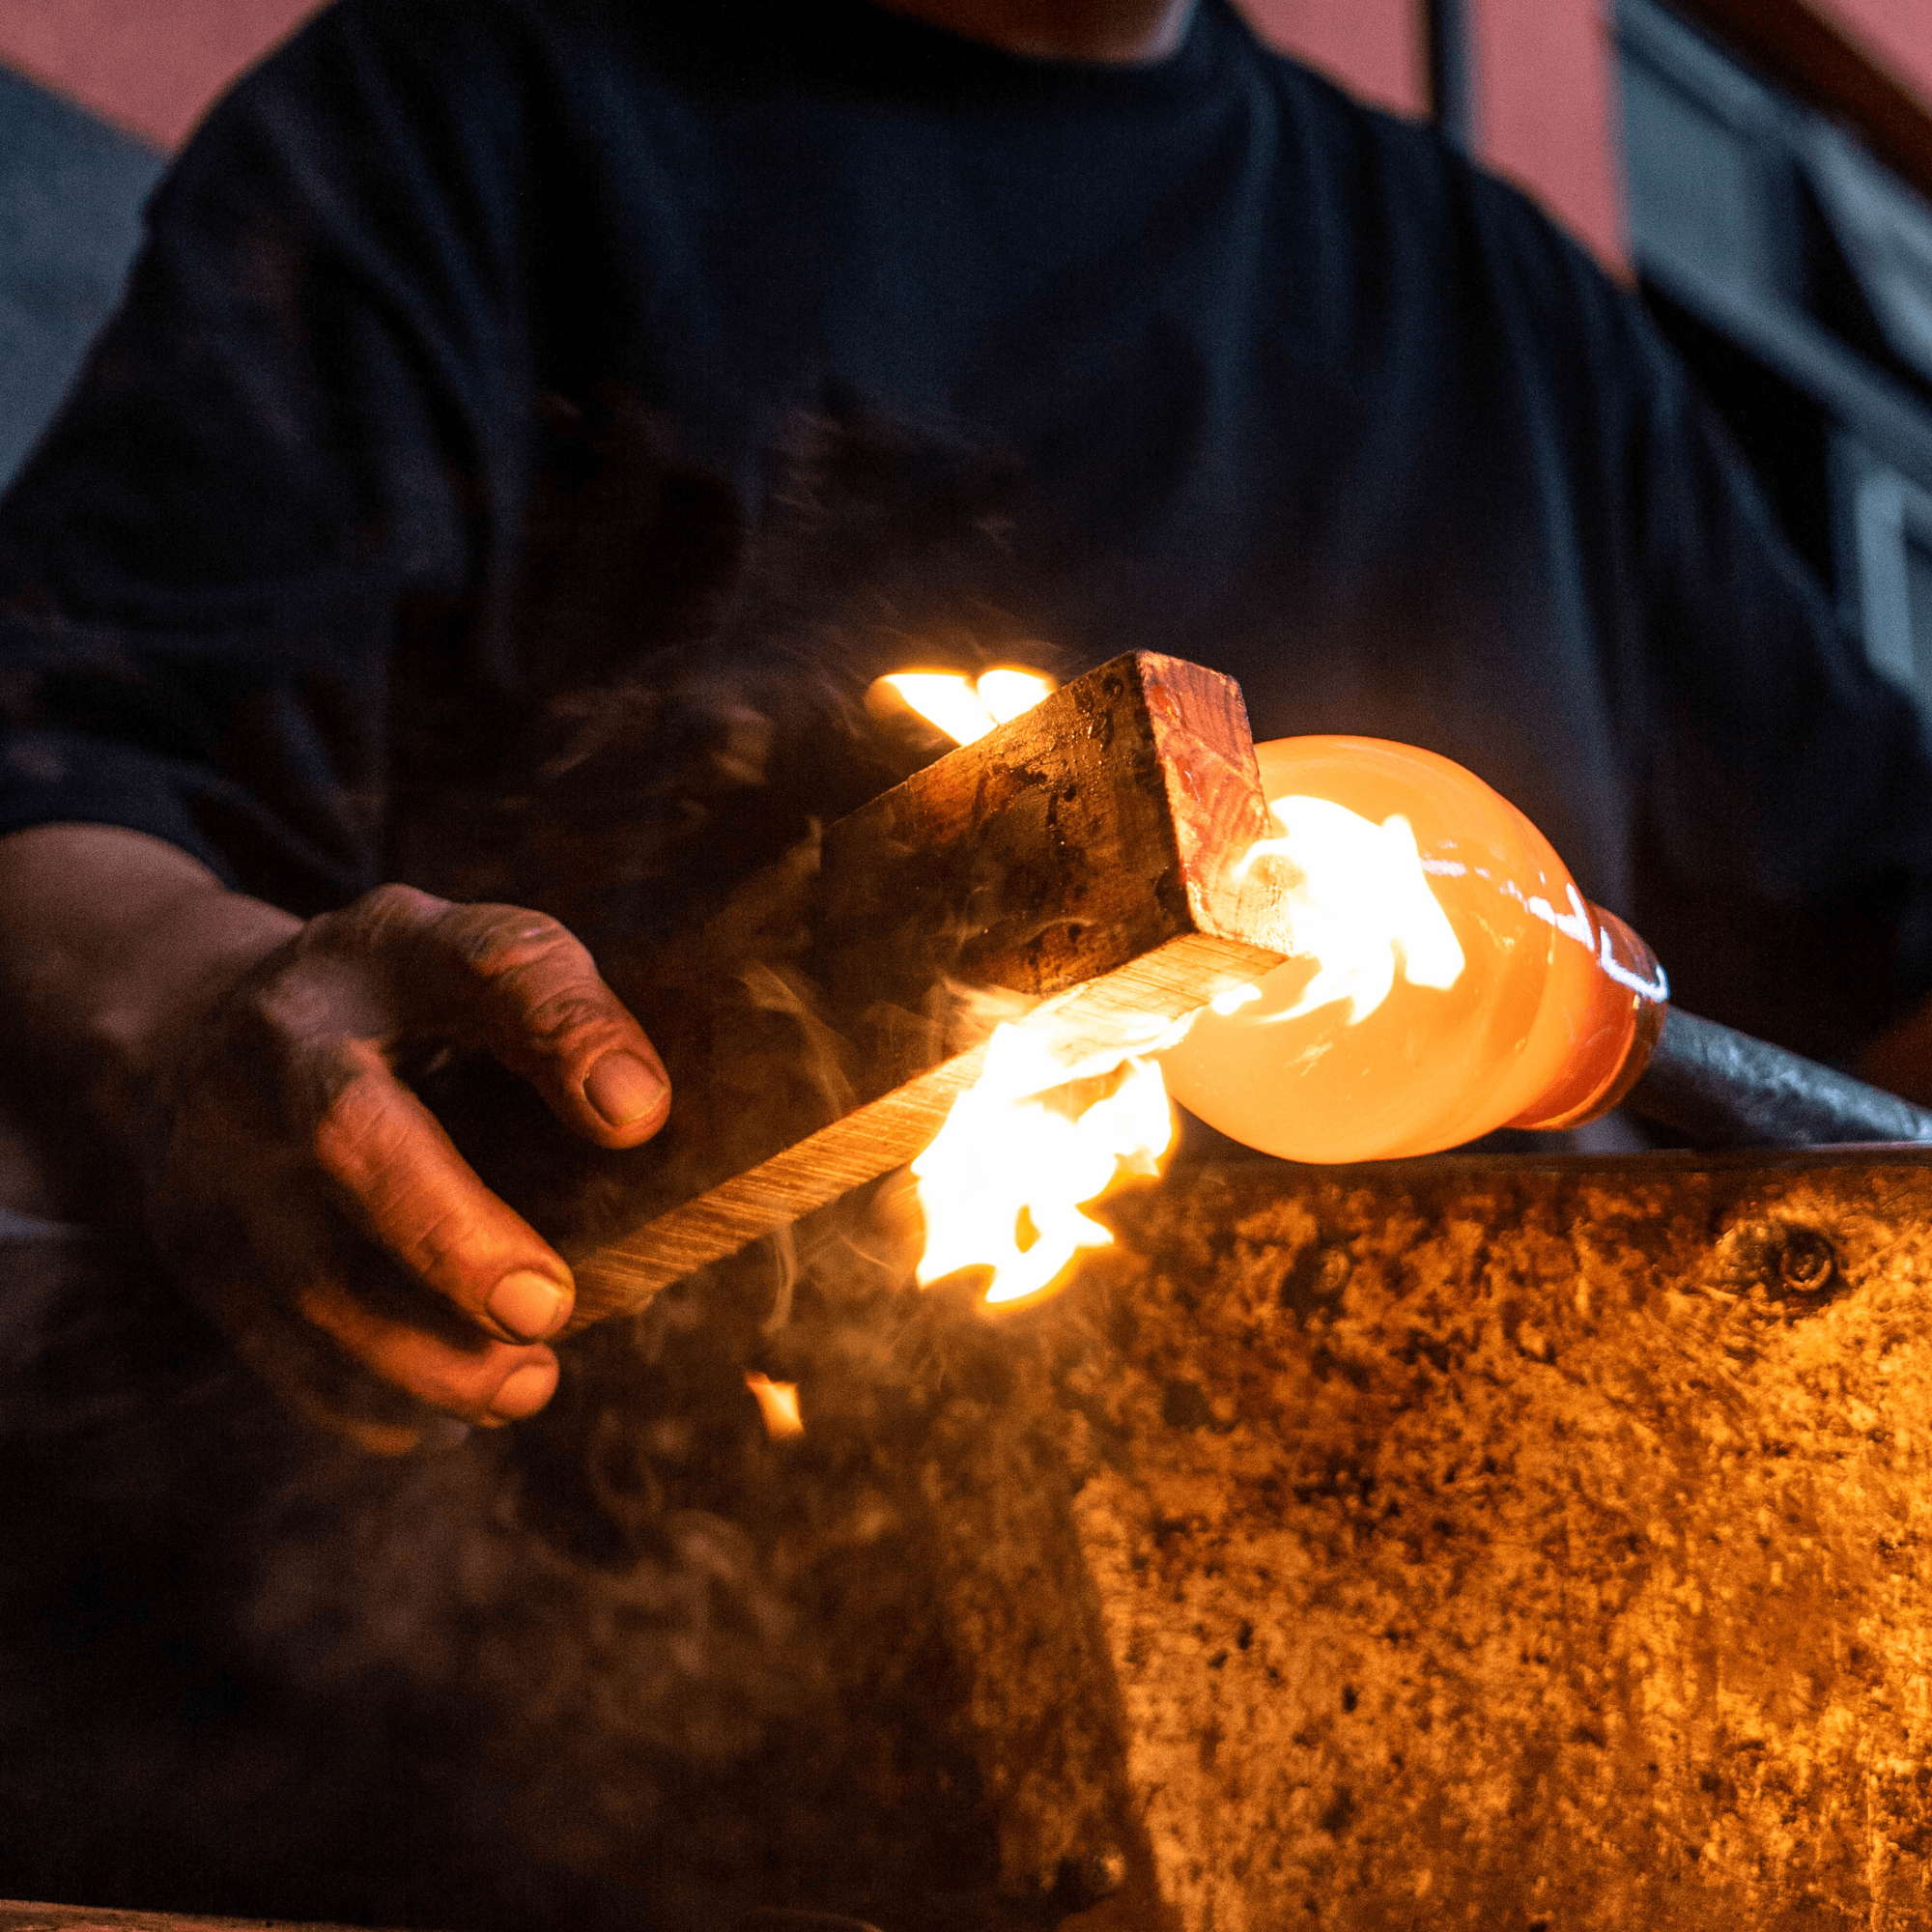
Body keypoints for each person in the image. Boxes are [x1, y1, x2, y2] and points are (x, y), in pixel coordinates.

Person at [0, 0, 1925, 1471]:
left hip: (1526, 1623)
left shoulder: (1511, 312)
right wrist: (193, 1016)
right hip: (633, 1624)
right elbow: (69, 789)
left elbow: (1892, 932)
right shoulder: (469, 114)